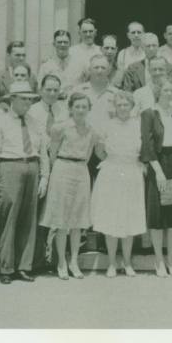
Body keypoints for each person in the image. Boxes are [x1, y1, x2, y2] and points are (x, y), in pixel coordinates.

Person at [0, 81, 49, 284]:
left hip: (32, 167)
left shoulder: (36, 121)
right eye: (23, 99)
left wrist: (44, 177)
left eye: (30, 99)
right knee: (8, 218)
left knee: (28, 220)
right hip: (9, 167)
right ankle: (6, 268)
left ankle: (24, 266)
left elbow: (44, 152)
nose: (27, 103)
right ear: (12, 99)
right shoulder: (0, 122)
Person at [41, 92, 100, 279]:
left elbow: (91, 153)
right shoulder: (60, 128)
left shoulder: (92, 131)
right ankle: (61, 262)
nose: (81, 110)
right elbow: (52, 153)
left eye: (84, 107)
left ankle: (74, 261)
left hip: (81, 170)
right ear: (71, 108)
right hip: (62, 168)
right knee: (61, 219)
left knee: (78, 220)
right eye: (77, 107)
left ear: (89, 109)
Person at [90, 91, 146, 278]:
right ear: (115, 106)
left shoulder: (139, 126)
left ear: (131, 106)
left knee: (130, 217)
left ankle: (128, 262)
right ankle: (112, 263)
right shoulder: (107, 125)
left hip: (132, 173)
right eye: (119, 105)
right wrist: (114, 162)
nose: (122, 108)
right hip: (112, 173)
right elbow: (99, 151)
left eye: (126, 105)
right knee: (111, 218)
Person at [140, 79, 172, 277]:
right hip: (157, 164)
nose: (169, 93)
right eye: (165, 89)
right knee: (158, 215)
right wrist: (158, 171)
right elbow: (147, 145)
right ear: (158, 91)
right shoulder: (149, 113)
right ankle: (159, 260)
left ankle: (171, 260)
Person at [27, 74, 69, 273]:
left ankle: (55, 259)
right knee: (38, 212)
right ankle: (35, 260)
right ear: (41, 90)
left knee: (57, 212)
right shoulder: (32, 111)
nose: (52, 93)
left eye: (55, 90)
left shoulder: (64, 110)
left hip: (60, 165)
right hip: (40, 164)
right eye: (49, 89)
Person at [73, 54, 119, 131]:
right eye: (96, 67)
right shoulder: (77, 91)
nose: (99, 71)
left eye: (103, 68)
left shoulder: (116, 94)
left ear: (108, 71)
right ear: (89, 69)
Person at [0, 40, 38, 109]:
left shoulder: (32, 77)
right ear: (8, 56)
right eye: (17, 55)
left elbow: (36, 99)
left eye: (23, 55)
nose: (21, 58)